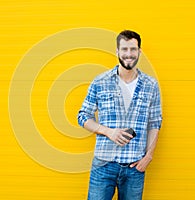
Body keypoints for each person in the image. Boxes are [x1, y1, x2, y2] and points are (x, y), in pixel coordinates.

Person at [77, 30, 162, 200]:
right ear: (117, 52)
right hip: (103, 165)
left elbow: (155, 122)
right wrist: (109, 131)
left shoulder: (151, 85)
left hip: (134, 167)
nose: (128, 54)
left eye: (133, 49)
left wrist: (148, 156)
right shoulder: (100, 81)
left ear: (139, 51)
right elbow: (83, 116)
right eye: (124, 49)